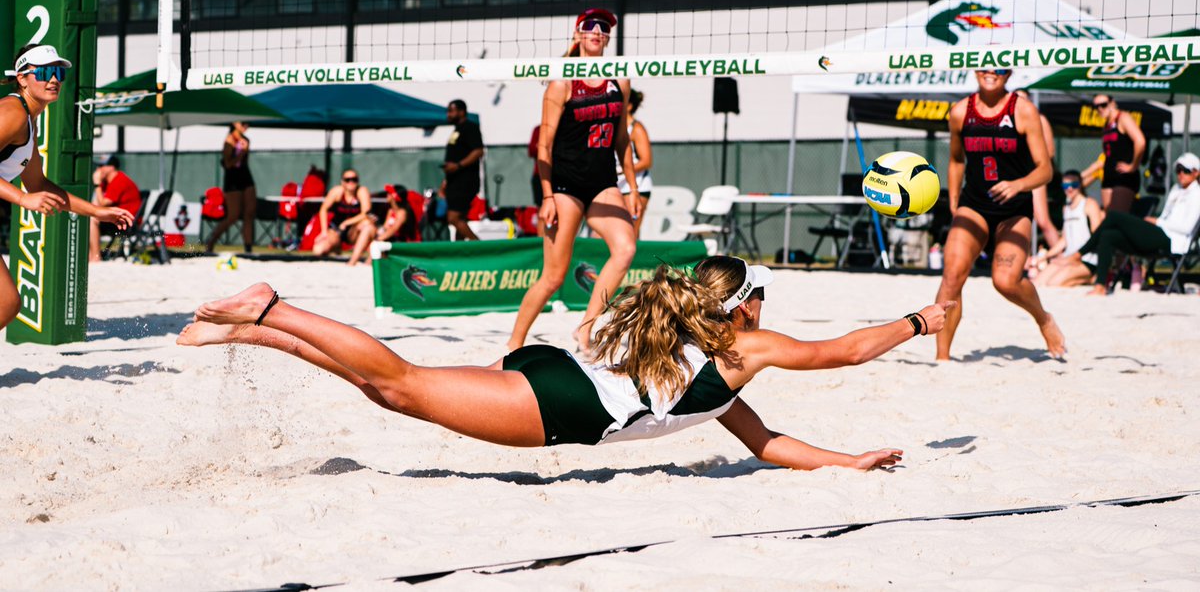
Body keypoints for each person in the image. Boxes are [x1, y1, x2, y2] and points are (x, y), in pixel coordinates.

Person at [179, 256, 953, 470]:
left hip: (557, 379)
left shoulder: (711, 369)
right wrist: (923, 318)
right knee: (401, 383)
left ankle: (256, 333)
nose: (767, 309)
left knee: (395, 394)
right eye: (764, 296)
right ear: (743, 305)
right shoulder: (742, 350)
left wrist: (847, 460)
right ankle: (273, 307)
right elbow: (843, 350)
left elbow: (765, 441)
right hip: (566, 409)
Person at [508, 8, 641, 354]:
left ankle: (585, 327)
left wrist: (633, 188)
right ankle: (514, 343)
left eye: (604, 27)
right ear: (579, 33)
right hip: (565, 185)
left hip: (603, 183)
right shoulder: (561, 82)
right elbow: (544, 146)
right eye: (591, 25)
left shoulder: (619, 80)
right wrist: (547, 195)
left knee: (625, 249)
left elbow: (621, 141)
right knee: (553, 277)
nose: (598, 30)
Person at [935, 68, 1065, 361]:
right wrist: (954, 200)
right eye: (986, 66)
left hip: (1013, 209)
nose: (991, 73)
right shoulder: (960, 112)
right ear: (975, 69)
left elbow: (1045, 170)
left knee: (1005, 281)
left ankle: (1043, 318)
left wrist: (1018, 184)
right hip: (974, 204)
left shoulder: (1023, 109)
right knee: (952, 276)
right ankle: (942, 359)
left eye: (1000, 68)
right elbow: (956, 160)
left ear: (1009, 74)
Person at [1, 44, 134, 329]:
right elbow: (31, 193)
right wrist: (24, 200)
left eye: (59, 73)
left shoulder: (28, 120)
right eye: (46, 72)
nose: (54, 80)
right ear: (22, 77)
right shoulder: (12, 112)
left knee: (7, 304)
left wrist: (97, 212)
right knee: (7, 303)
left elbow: (38, 183)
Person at [1067, 153, 1200, 296]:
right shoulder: (1176, 190)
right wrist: (1158, 222)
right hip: (1160, 232)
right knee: (1108, 235)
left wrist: (1158, 221)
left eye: (1185, 170)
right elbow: (1166, 216)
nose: (1181, 174)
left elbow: (1186, 228)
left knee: (1113, 216)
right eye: (1178, 170)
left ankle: (1079, 253)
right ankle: (1100, 285)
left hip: (1174, 241)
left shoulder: (1197, 194)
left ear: (1196, 172)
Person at [1029, 170, 1101, 288]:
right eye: (1066, 185)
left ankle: (1090, 278)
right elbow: (1064, 240)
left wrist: (1076, 257)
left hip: (1087, 260)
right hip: (1068, 258)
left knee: (1054, 283)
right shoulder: (1066, 208)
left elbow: (1097, 237)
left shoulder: (1089, 204)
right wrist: (1044, 256)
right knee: (1038, 282)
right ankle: (1081, 279)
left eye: (1074, 185)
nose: (1070, 189)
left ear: (1081, 185)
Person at [1081, 95, 1145, 215]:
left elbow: (1140, 141)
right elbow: (1105, 157)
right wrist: (1080, 177)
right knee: (1109, 218)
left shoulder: (1123, 118)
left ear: (1112, 103)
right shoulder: (1107, 125)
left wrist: (1133, 166)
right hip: (1109, 177)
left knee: (1117, 219)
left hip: (1124, 178)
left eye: (1103, 105)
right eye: (1096, 106)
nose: (1100, 109)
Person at [1014, 90, 1060, 250]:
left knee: (1042, 220)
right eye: (1017, 98)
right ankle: (1023, 260)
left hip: (1034, 174)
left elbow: (1050, 151)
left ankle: (1063, 257)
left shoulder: (1039, 119)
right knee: (1016, 221)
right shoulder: (1009, 120)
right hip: (1014, 175)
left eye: (1023, 98)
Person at [204, 121, 256, 254]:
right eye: (243, 123)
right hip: (232, 181)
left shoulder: (246, 140)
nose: (246, 126)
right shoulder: (229, 140)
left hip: (246, 179)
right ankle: (211, 241)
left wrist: (244, 152)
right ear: (235, 123)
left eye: (247, 124)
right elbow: (228, 164)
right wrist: (242, 153)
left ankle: (248, 247)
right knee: (233, 215)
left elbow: (244, 164)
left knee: (249, 213)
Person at [312, 168, 377, 266]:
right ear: (342, 182)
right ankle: (336, 249)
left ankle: (353, 261)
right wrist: (324, 231)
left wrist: (347, 222)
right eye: (348, 180)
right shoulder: (337, 191)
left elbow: (366, 213)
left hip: (354, 231)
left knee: (368, 225)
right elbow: (323, 209)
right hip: (337, 230)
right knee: (318, 250)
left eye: (354, 179)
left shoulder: (362, 191)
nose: (351, 182)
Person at [441, 99, 484, 241]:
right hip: (454, 181)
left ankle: (479, 247)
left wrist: (458, 165)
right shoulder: (457, 130)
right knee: (460, 218)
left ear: (462, 111)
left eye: (451, 111)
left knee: (453, 218)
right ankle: (461, 252)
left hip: (465, 181)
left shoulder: (470, 127)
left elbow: (478, 151)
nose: (448, 115)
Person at [88, 154, 142, 262]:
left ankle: (95, 257)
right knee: (88, 216)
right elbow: (97, 204)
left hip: (127, 222)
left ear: (111, 167)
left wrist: (97, 184)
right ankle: (90, 255)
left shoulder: (119, 180)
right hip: (117, 218)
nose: (98, 169)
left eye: (102, 166)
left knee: (92, 219)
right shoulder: (107, 182)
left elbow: (103, 204)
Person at [616, 89, 653, 238]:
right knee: (604, 235)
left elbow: (646, 161)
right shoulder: (614, 127)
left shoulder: (636, 129)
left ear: (629, 105)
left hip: (636, 185)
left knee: (630, 233)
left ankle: (635, 262)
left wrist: (621, 171)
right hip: (616, 186)